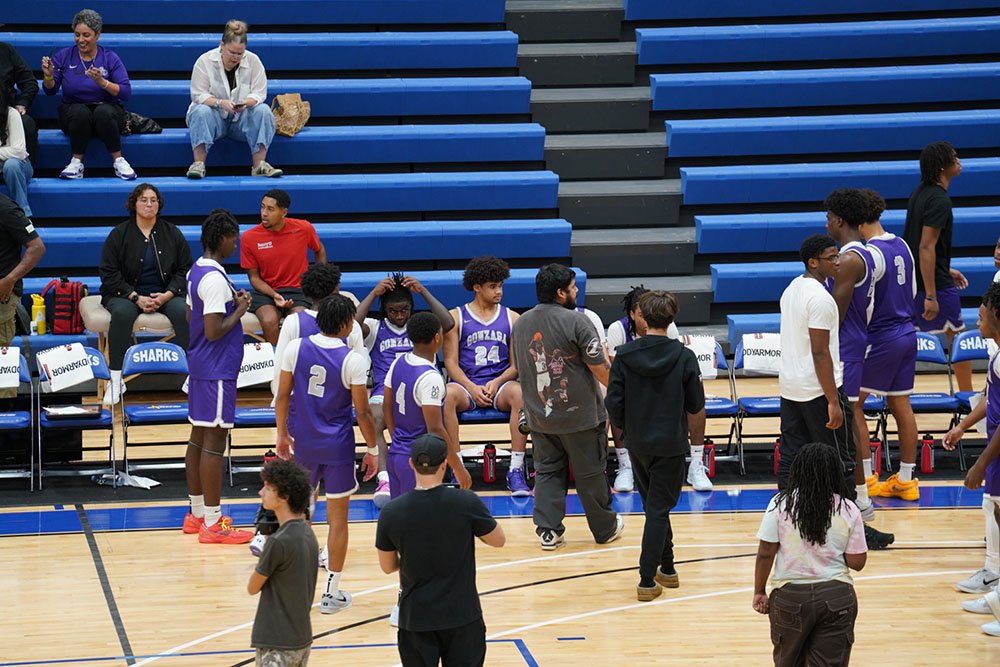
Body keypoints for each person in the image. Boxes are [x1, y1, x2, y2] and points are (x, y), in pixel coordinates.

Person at [274, 294, 378, 615]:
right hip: (337, 448)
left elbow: (282, 395)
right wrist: (373, 449)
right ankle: (331, 594)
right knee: (337, 522)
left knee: (299, 517)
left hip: (303, 444)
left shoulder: (295, 348)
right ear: (347, 324)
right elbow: (363, 413)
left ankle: (295, 589)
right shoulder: (353, 360)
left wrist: (281, 434)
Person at [511, 263, 623, 550]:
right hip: (581, 418)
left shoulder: (520, 323)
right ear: (560, 293)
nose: (577, 292)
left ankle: (548, 531)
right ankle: (605, 528)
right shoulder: (577, 321)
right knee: (590, 474)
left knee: (547, 472)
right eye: (573, 288)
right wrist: (625, 393)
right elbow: (600, 368)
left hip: (541, 417)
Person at [605, 290, 705, 601]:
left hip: (637, 444)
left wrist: (627, 429)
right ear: (672, 318)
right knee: (659, 510)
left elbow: (613, 403)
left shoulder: (623, 355)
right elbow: (696, 404)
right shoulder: (685, 357)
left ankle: (669, 568)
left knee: (655, 507)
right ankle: (647, 579)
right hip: (671, 444)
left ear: (643, 318)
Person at [375, 433, 505, 666]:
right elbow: (498, 540)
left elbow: (387, 566)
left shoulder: (391, 512)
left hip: (416, 618)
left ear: (411, 463)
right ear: (445, 464)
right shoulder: (466, 502)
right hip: (462, 615)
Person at [753, 442, 867, 666]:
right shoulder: (848, 508)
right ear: (835, 473)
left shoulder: (780, 504)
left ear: (797, 471)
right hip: (836, 597)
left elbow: (766, 553)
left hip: (790, 598)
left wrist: (759, 591)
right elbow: (857, 562)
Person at [182, 208, 253, 544]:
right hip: (217, 370)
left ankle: (196, 515)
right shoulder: (213, 279)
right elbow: (213, 331)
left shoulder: (197, 270)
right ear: (223, 239)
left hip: (201, 366)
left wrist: (231, 305)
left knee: (198, 438)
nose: (235, 245)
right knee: (214, 445)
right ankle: (213, 523)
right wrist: (240, 310)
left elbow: (190, 316)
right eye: (233, 239)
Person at [355, 273, 455, 508]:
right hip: (386, 391)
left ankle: (444, 467)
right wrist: (374, 293)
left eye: (404, 310)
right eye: (393, 311)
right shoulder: (375, 327)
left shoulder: (420, 327)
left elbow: (448, 323)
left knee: (441, 415)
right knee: (374, 416)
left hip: (421, 390)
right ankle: (385, 479)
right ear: (384, 309)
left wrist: (424, 291)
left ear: (411, 307)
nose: (399, 316)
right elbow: (352, 325)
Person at [99, 183, 193, 404]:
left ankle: (194, 375)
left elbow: (185, 269)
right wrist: (134, 297)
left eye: (153, 200)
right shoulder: (119, 233)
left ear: (159, 205)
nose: (149, 204)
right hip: (126, 294)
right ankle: (116, 379)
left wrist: (168, 295)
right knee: (121, 314)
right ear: (134, 204)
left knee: (185, 311)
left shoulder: (172, 232)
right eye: (144, 200)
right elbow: (108, 272)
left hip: (166, 293)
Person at [442, 256, 529, 496]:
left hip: (500, 385)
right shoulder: (456, 316)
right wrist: (471, 387)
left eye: (501, 285)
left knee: (520, 394)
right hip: (466, 385)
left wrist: (497, 381)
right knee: (446, 395)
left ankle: (516, 469)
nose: (499, 291)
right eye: (493, 286)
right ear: (477, 287)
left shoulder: (512, 318)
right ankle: (457, 467)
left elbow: (516, 365)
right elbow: (450, 364)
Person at [857, 189, 921, 504]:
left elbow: (866, 304)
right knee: (900, 405)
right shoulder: (903, 245)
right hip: (908, 332)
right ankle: (906, 481)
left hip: (882, 336)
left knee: (852, 405)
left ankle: (866, 478)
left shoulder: (870, 253)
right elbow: (913, 290)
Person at [823, 188, 881, 518]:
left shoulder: (847, 260)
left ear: (840, 221)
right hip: (852, 344)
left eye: (829, 218)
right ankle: (855, 494)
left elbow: (835, 314)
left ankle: (860, 498)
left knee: (846, 422)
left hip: (845, 347)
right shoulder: (862, 253)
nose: (827, 223)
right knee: (845, 420)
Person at [944, 284, 1000, 612]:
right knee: (991, 506)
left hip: (996, 449)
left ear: (997, 316)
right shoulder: (997, 356)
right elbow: (989, 398)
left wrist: (980, 464)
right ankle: (994, 579)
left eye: (981, 317)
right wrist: (962, 426)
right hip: (994, 446)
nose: (976, 323)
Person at [903, 140, 971, 391]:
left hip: (914, 282)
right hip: (932, 287)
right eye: (954, 157)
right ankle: (968, 399)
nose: (959, 161)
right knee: (959, 340)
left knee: (906, 342)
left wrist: (944, 268)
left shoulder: (918, 193)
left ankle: (897, 398)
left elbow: (915, 244)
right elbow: (925, 247)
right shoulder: (940, 200)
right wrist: (931, 295)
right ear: (942, 166)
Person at [605, 285, 687, 493]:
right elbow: (615, 374)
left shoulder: (670, 329)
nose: (646, 320)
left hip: (661, 387)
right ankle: (625, 463)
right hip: (631, 389)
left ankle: (695, 460)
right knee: (616, 401)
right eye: (641, 315)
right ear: (632, 314)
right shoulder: (618, 329)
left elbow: (673, 366)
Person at [40, 9, 136, 180]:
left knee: (103, 112)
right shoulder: (64, 56)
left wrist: (102, 82)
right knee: (80, 112)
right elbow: (50, 90)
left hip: (107, 112)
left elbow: (126, 93)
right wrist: (48, 75)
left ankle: (119, 161)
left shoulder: (110, 58)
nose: (81, 40)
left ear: (98, 35)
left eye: (86, 35)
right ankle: (76, 163)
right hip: (73, 114)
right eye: (77, 35)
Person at [385, 312, 468, 500]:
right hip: (419, 462)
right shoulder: (430, 378)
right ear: (437, 338)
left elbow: (387, 407)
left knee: (401, 517)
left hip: (396, 455)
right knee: (419, 518)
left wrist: (396, 439)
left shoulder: (398, 362)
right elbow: (436, 429)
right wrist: (458, 467)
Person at [186, 20, 281, 179]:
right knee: (200, 110)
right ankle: (198, 164)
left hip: (241, 120)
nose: (236, 57)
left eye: (240, 53)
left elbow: (259, 94)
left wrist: (246, 102)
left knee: (263, 110)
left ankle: (259, 165)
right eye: (232, 52)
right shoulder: (204, 61)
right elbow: (198, 94)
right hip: (214, 118)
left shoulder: (253, 60)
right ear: (222, 45)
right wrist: (219, 103)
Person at [248, 458, 318, 667]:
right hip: (301, 638)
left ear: (284, 497)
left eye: (268, 489)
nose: (261, 493)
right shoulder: (308, 534)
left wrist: (265, 548)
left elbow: (252, 587)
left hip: (277, 641)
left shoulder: (278, 542)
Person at [241, 189, 325, 345]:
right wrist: (274, 295)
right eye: (262, 207)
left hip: (298, 291)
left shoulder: (303, 228)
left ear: (283, 212)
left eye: (270, 209)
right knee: (269, 320)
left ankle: (295, 357)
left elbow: (319, 249)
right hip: (266, 292)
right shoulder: (249, 237)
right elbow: (254, 278)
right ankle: (277, 358)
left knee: (299, 322)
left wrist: (320, 280)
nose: (264, 213)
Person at [270, 262, 364, 398]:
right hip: (336, 403)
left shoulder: (292, 322)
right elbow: (359, 373)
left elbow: (279, 370)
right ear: (335, 289)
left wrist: (280, 402)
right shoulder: (351, 324)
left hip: (299, 403)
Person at [0, 193, 44, 399]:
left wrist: (10, 279)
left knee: (1, 366)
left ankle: (5, 415)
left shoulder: (6, 209)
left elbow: (37, 247)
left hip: (2, 296)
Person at [0, 41, 38, 164]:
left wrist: (22, 103)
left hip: (4, 111)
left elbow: (29, 82)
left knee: (27, 123)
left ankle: (24, 169)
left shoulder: (5, 50)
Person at [0, 86, 33, 217]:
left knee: (12, 164)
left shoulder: (11, 114)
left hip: (19, 166)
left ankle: (23, 216)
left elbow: (19, 152)